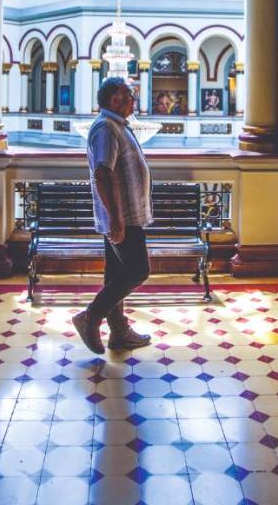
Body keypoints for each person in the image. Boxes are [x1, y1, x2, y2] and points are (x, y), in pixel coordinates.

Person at [72, 77, 153, 354]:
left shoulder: (116, 125)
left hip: (126, 215)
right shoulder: (106, 128)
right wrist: (116, 218)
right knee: (137, 270)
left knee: (116, 272)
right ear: (114, 100)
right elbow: (103, 173)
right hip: (122, 217)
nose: (134, 100)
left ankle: (119, 331)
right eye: (129, 95)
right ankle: (90, 317)